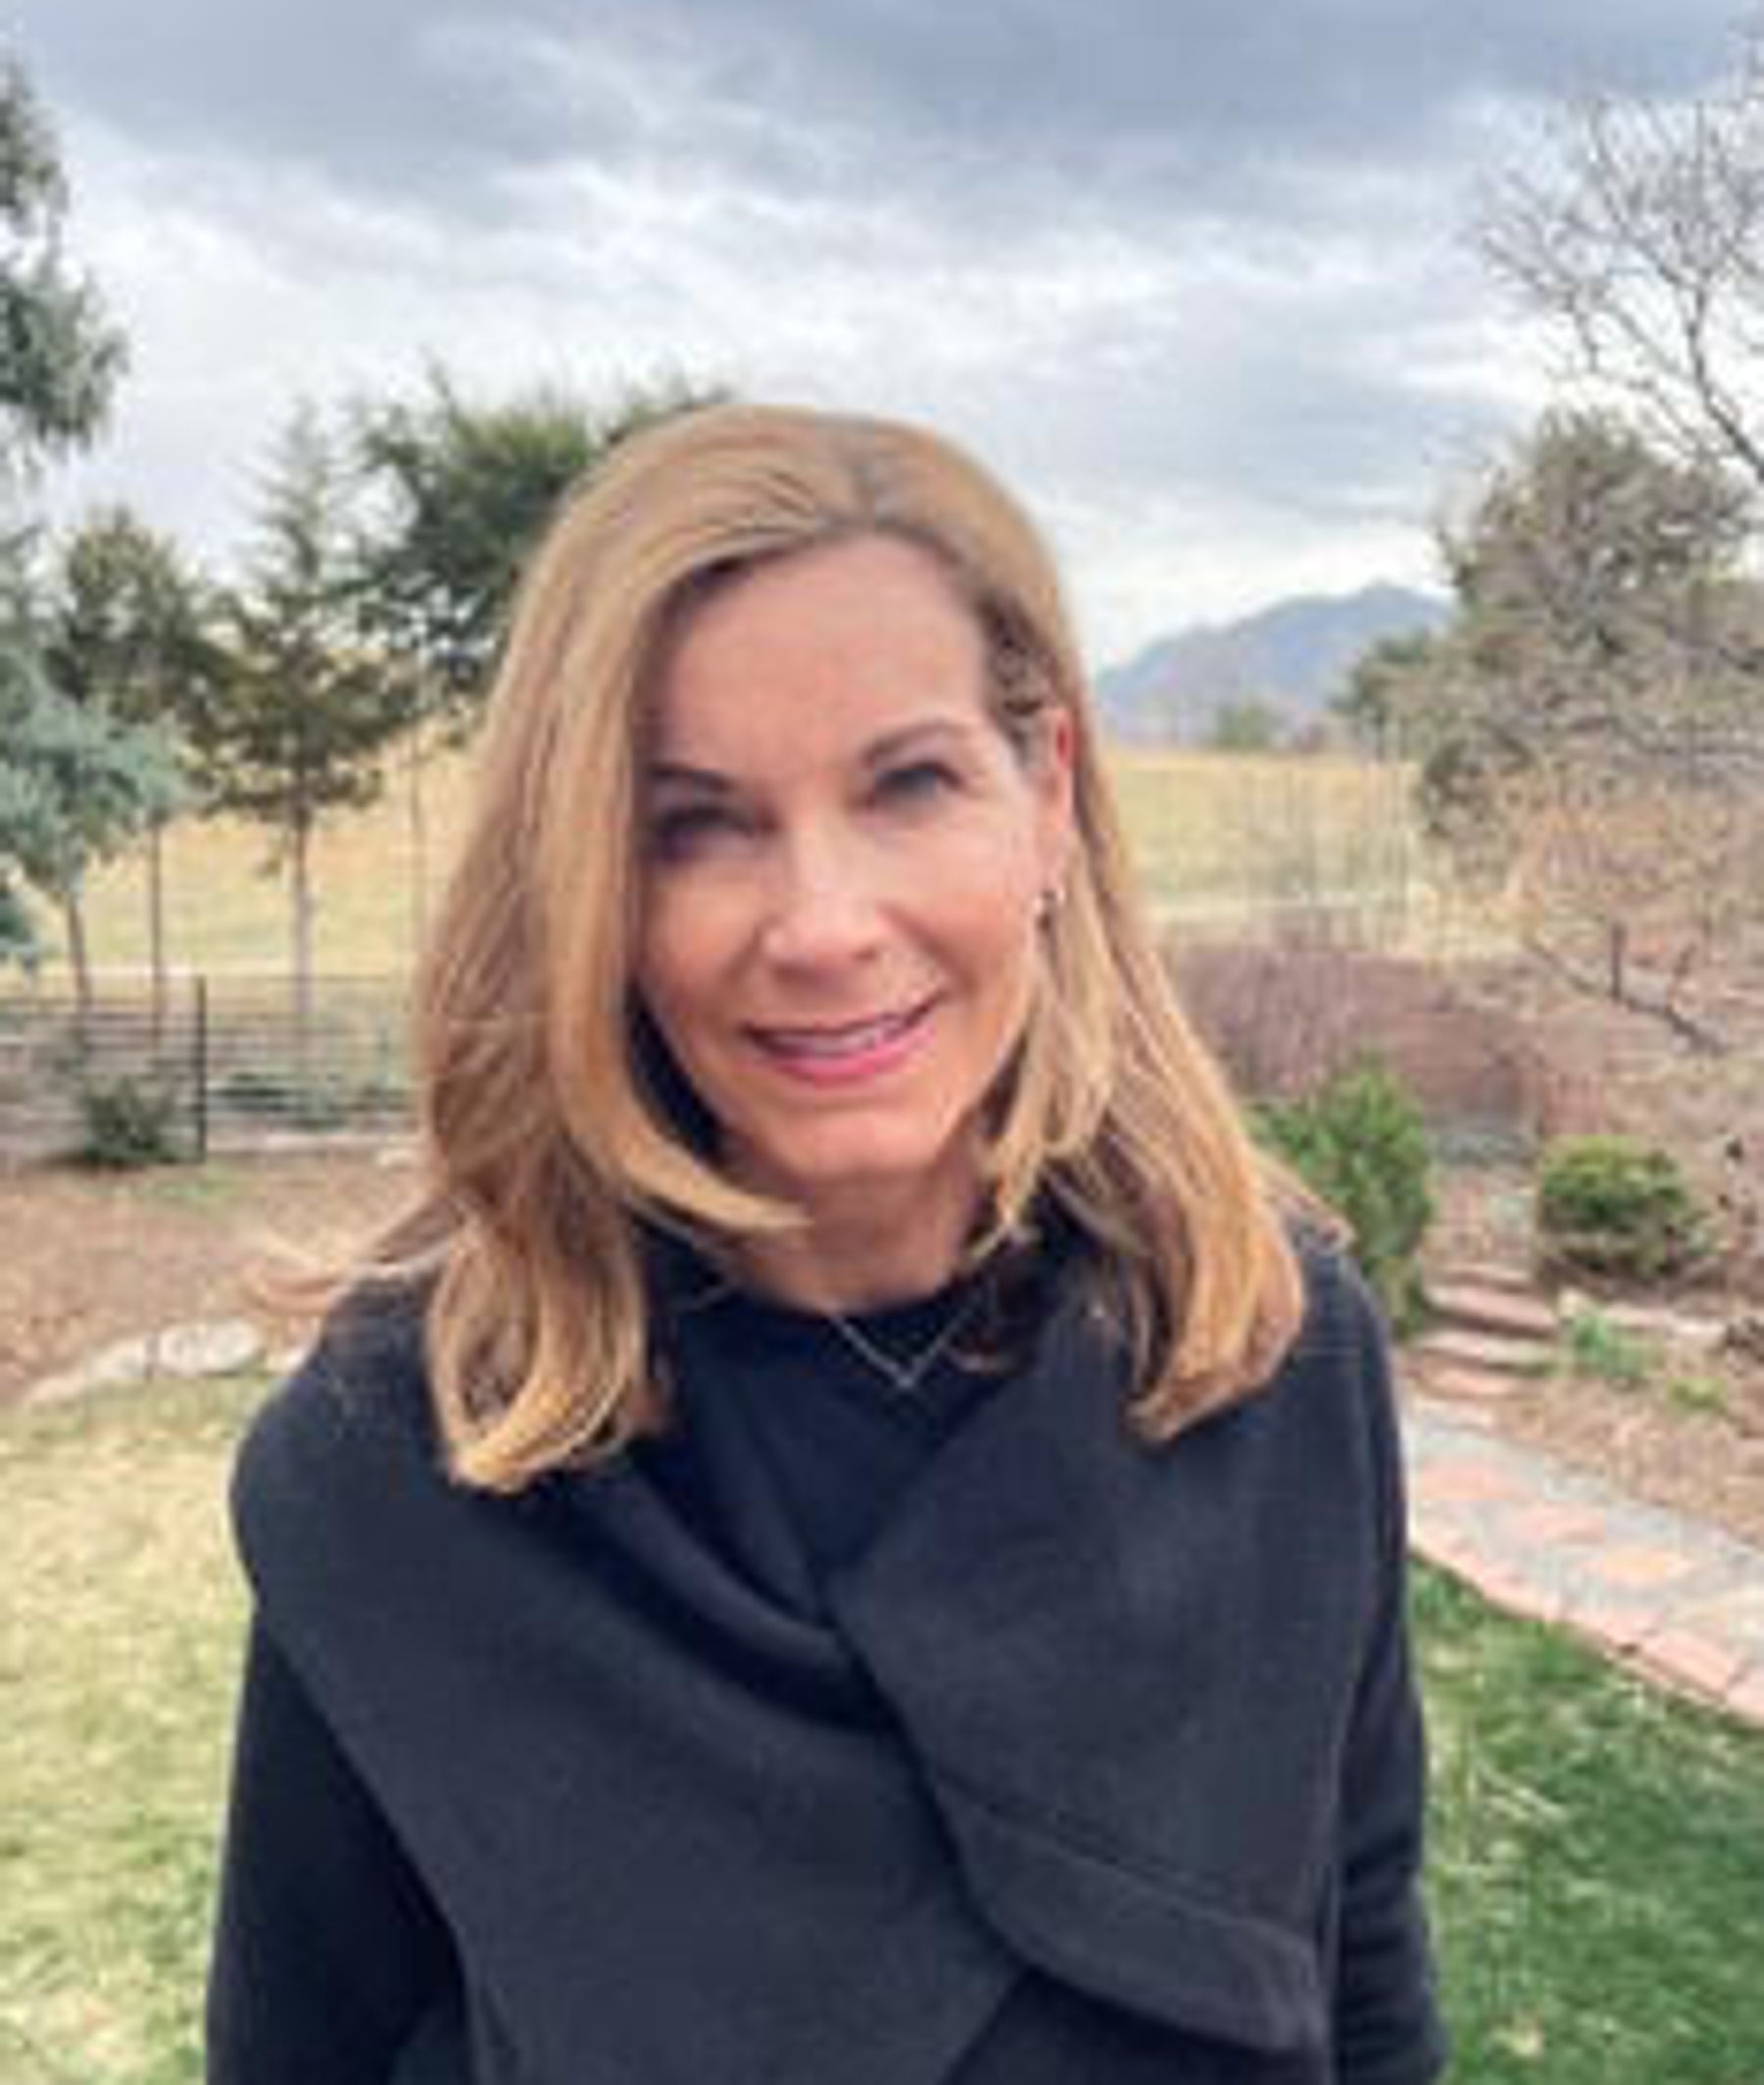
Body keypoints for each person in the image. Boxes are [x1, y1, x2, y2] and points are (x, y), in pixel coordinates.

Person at [207, 403, 1446, 2085]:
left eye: (910, 781)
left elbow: (1366, 1979)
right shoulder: (400, 1465)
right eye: (692, 822)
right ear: (586, 881)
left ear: (1049, 795)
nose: (822, 925)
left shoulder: (1277, 1359)